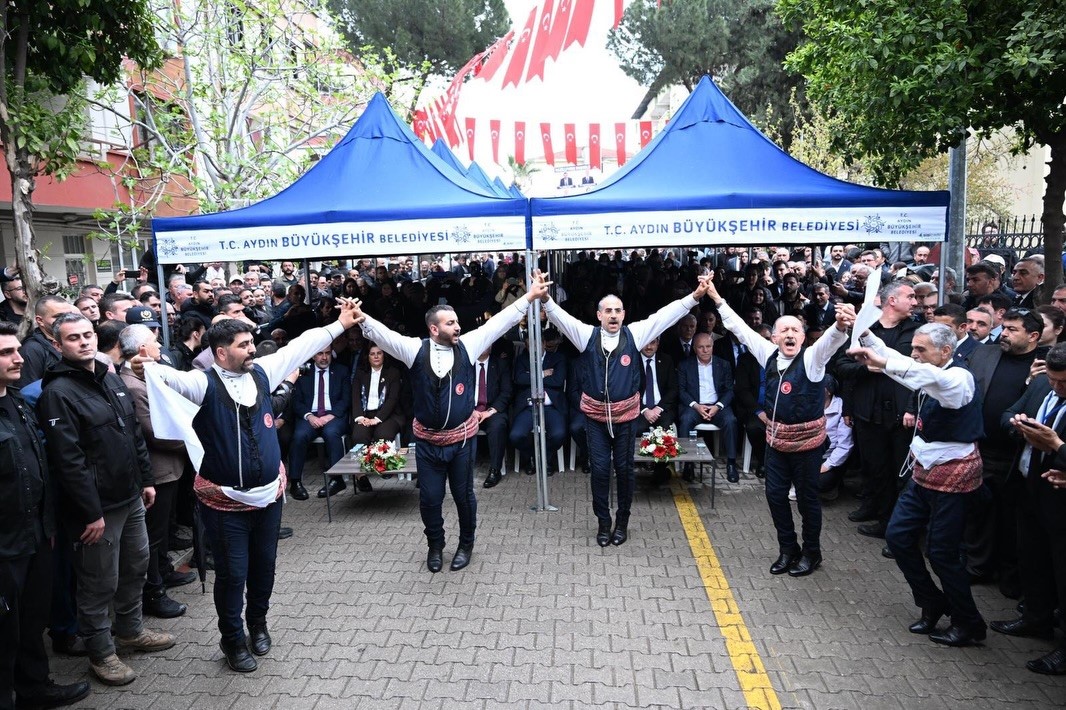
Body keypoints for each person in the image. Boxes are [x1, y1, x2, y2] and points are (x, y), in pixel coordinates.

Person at [140, 299, 364, 673]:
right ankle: (232, 639)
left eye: (251, 343)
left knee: (264, 568)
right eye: (244, 345)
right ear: (221, 353)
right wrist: (143, 365)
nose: (251, 350)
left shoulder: (261, 373)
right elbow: (164, 377)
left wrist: (340, 324)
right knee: (232, 575)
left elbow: (302, 346)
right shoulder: (201, 382)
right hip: (223, 502)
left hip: (268, 498)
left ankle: (258, 625)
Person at [350, 272, 550, 573]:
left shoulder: (468, 345)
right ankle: (435, 546)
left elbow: (500, 322)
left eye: (457, 322)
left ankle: (466, 544)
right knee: (430, 499)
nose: (457, 326)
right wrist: (362, 317)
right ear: (434, 328)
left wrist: (530, 296)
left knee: (464, 497)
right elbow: (385, 336)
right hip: (428, 444)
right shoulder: (414, 349)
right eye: (450, 323)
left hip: (461, 442)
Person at [37, 313, 174, 687]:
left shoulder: (110, 378)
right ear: (57, 344)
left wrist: (146, 480)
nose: (84, 342)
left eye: (88, 335)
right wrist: (90, 512)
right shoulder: (57, 393)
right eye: (73, 338)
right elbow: (68, 460)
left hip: (130, 497)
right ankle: (101, 653)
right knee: (98, 582)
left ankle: (130, 631)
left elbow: (133, 434)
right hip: (97, 510)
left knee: (136, 566)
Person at [542, 277, 712, 547]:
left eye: (617, 310)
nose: (613, 315)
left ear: (624, 314)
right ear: (599, 315)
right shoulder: (587, 336)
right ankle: (603, 522)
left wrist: (694, 297)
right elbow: (562, 319)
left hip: (626, 417)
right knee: (600, 470)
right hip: (596, 418)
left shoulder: (635, 334)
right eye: (608, 311)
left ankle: (622, 522)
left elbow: (664, 317)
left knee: (624, 470)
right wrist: (545, 298)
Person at [849, 323, 987, 647]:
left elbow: (925, 376)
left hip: (952, 477)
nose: (913, 355)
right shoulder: (929, 369)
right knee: (898, 537)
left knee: (942, 554)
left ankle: (969, 623)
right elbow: (904, 367)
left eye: (920, 349)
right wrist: (865, 333)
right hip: (924, 472)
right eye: (913, 347)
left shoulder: (959, 378)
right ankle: (931, 601)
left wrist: (884, 362)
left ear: (946, 351)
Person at [704, 278, 852, 577]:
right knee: (774, 496)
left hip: (807, 446)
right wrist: (717, 299)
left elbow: (830, 341)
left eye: (795, 330)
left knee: (807, 501)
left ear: (803, 337)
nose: (790, 334)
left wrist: (840, 325)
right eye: (784, 330)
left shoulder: (812, 359)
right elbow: (740, 329)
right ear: (774, 337)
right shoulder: (767, 354)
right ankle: (788, 549)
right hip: (776, 442)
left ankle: (812, 552)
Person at [0, 321, 90, 709]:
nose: (18, 358)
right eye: (6, 353)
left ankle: (34, 687)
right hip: (5, 546)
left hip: (36, 534)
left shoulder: (19, 403)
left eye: (16, 350)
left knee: (32, 619)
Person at [993, 344, 1066, 674]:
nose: (1057, 387)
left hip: (1060, 502)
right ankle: (1036, 619)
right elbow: (1008, 413)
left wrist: (1056, 446)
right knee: (1032, 560)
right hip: (1028, 489)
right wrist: (1017, 424)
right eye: (1052, 379)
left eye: (1064, 382)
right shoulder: (1039, 385)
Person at [118, 325, 192, 620]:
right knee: (154, 535)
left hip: (170, 469)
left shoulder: (144, 377)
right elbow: (156, 432)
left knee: (162, 531)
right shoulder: (134, 386)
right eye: (154, 342)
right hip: (158, 472)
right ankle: (153, 593)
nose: (160, 347)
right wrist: (192, 441)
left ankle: (163, 571)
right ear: (141, 350)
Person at [677, 332, 741, 482]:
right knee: (685, 420)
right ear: (694, 348)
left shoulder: (723, 364)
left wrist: (717, 406)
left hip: (717, 406)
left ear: (713, 346)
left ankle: (731, 463)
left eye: (708, 346)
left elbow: (729, 391)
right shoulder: (685, 365)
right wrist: (696, 406)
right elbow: (681, 391)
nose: (705, 350)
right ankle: (688, 464)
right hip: (695, 406)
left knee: (731, 421)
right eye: (701, 347)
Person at [288, 347, 350, 500]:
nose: (324, 357)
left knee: (331, 433)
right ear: (313, 356)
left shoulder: (341, 371)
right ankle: (295, 482)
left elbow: (346, 399)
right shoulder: (303, 373)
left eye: (327, 353)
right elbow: (296, 401)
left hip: (333, 415)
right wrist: (309, 416)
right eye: (320, 354)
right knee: (299, 436)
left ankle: (337, 479)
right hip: (310, 415)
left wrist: (330, 416)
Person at [349, 343, 405, 491]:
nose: (376, 356)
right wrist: (360, 417)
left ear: (384, 355)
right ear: (367, 357)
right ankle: (361, 476)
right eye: (372, 354)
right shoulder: (361, 373)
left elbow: (393, 399)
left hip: (388, 414)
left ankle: (382, 466)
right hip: (365, 414)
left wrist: (377, 419)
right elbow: (355, 397)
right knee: (359, 436)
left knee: (383, 434)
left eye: (379, 353)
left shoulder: (393, 373)